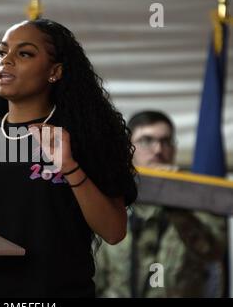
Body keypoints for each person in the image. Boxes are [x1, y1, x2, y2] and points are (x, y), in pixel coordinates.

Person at [0, 18, 137, 297]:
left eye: (24, 53)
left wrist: (69, 167)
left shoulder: (84, 136)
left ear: (55, 71)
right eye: (2, 52)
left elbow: (113, 231)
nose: (6, 61)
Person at [95, 110, 227, 297]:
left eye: (166, 141)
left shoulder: (199, 198)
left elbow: (212, 252)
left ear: (173, 149)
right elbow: (93, 276)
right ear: (127, 148)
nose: (158, 149)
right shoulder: (108, 199)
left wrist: (174, 199)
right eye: (146, 141)